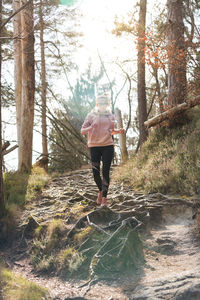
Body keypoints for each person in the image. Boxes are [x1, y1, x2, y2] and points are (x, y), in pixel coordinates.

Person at [81, 94, 124, 206]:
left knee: (105, 172)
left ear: (107, 104)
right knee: (95, 173)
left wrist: (118, 131)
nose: (102, 105)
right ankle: (101, 190)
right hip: (94, 146)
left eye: (104, 103)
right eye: (100, 103)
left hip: (107, 146)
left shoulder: (110, 116)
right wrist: (91, 127)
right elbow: (82, 131)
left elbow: (110, 131)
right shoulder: (90, 115)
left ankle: (104, 198)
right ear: (97, 104)